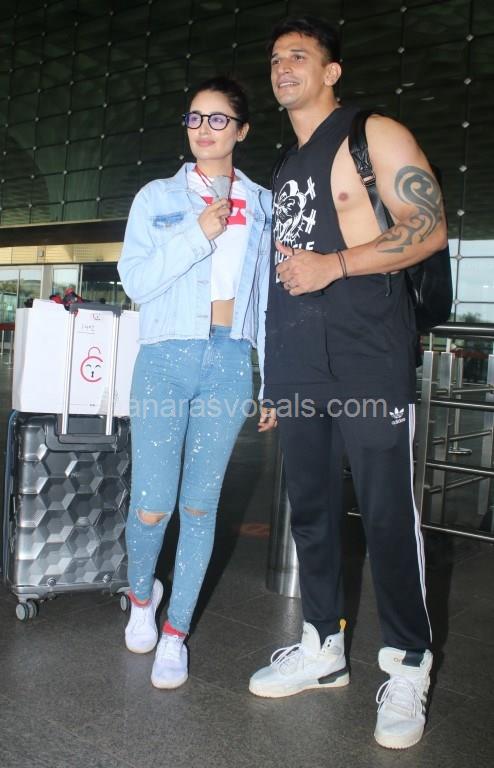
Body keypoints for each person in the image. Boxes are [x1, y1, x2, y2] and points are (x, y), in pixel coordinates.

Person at [250, 17, 448, 751]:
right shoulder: (284, 166)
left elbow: (428, 226)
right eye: (276, 57)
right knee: (310, 511)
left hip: (369, 358)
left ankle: (407, 664)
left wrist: (335, 265)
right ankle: (322, 646)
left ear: (331, 71)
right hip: (300, 365)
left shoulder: (374, 132)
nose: (283, 66)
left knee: (388, 515)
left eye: (299, 55)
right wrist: (275, 378)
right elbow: (282, 279)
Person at [118, 77, 272, 690]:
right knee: (152, 504)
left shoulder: (262, 204)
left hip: (230, 360)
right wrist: (196, 234)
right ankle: (141, 597)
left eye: (218, 119)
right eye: (194, 118)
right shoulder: (156, 196)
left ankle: (176, 632)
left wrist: (272, 377)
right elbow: (135, 280)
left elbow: (267, 300)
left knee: (201, 504)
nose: (204, 129)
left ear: (242, 129)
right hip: (165, 357)